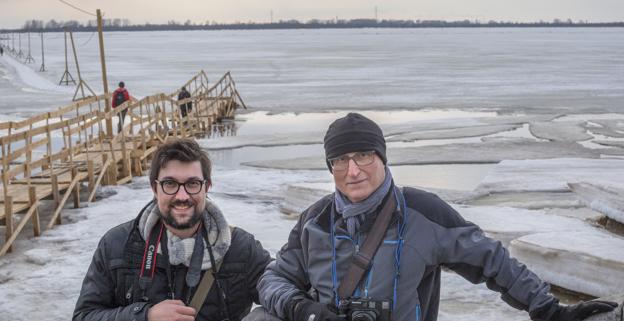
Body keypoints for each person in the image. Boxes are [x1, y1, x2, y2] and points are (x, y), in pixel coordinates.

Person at [258, 113, 618, 321]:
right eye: (340, 160)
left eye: (364, 156)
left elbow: (491, 260)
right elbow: (273, 279)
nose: (353, 171)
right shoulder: (314, 220)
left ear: (383, 158)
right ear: (330, 166)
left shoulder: (422, 213)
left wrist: (548, 310)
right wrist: (303, 309)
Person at [73, 138, 272, 321]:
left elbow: (283, 289)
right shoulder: (117, 245)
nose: (182, 196)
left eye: (192, 184)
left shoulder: (240, 248)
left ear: (207, 186)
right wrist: (145, 315)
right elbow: (84, 316)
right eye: (170, 184)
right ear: (154, 188)